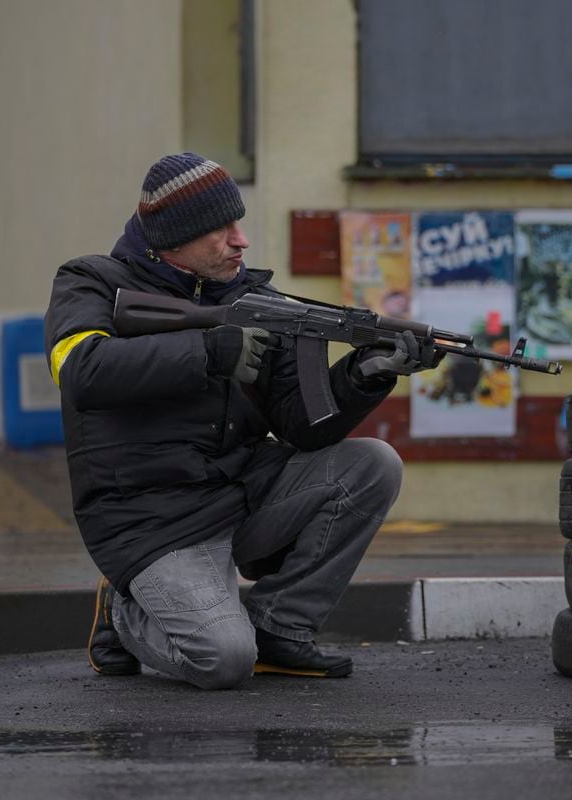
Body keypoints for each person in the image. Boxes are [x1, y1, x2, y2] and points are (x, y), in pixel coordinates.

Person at [45, 153, 436, 690]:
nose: (241, 240)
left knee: (372, 464)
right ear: (174, 236)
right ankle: (124, 611)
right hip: (151, 521)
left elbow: (303, 428)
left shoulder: (253, 298)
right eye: (221, 229)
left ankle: (280, 628)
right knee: (223, 661)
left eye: (239, 224)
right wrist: (205, 352)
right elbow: (80, 371)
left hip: (242, 492)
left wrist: (364, 374)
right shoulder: (90, 282)